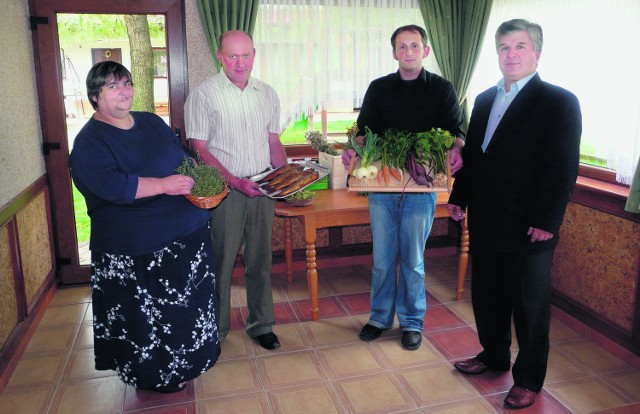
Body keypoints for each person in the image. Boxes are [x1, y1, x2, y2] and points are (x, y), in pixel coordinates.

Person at [447, 19, 581, 409]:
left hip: (529, 226)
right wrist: (461, 195)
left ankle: (528, 379)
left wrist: (547, 220)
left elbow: (562, 167)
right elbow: (474, 156)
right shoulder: (485, 99)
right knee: (487, 294)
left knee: (529, 306)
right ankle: (493, 355)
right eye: (505, 47)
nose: (512, 54)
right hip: (486, 219)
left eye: (520, 47)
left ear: (536, 53)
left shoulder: (559, 101)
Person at [69, 61, 220, 393]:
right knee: (146, 319)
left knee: (187, 311)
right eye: (113, 86)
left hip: (186, 234)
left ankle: (189, 364)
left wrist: (193, 169)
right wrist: (164, 185)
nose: (124, 91)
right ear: (95, 96)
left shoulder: (151, 122)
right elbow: (111, 187)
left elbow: (179, 155)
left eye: (127, 83)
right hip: (135, 247)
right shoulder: (89, 142)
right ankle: (153, 376)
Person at [344, 25, 465, 351]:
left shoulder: (442, 89)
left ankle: (412, 322)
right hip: (382, 189)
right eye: (402, 46)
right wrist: (353, 149)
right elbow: (362, 131)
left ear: (425, 51)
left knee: (412, 261)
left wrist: (456, 148)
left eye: (414, 46)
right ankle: (379, 318)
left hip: (421, 190)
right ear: (394, 52)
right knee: (382, 259)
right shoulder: (379, 88)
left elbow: (457, 132)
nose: (408, 51)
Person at [184, 30, 287, 351]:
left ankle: (261, 324)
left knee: (260, 260)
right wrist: (234, 181)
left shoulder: (267, 94)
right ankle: (215, 330)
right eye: (233, 56)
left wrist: (286, 177)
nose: (240, 63)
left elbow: (273, 142)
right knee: (221, 262)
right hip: (225, 192)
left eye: (246, 55)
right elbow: (199, 149)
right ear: (220, 56)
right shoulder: (204, 95)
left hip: (261, 188)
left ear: (254, 55)